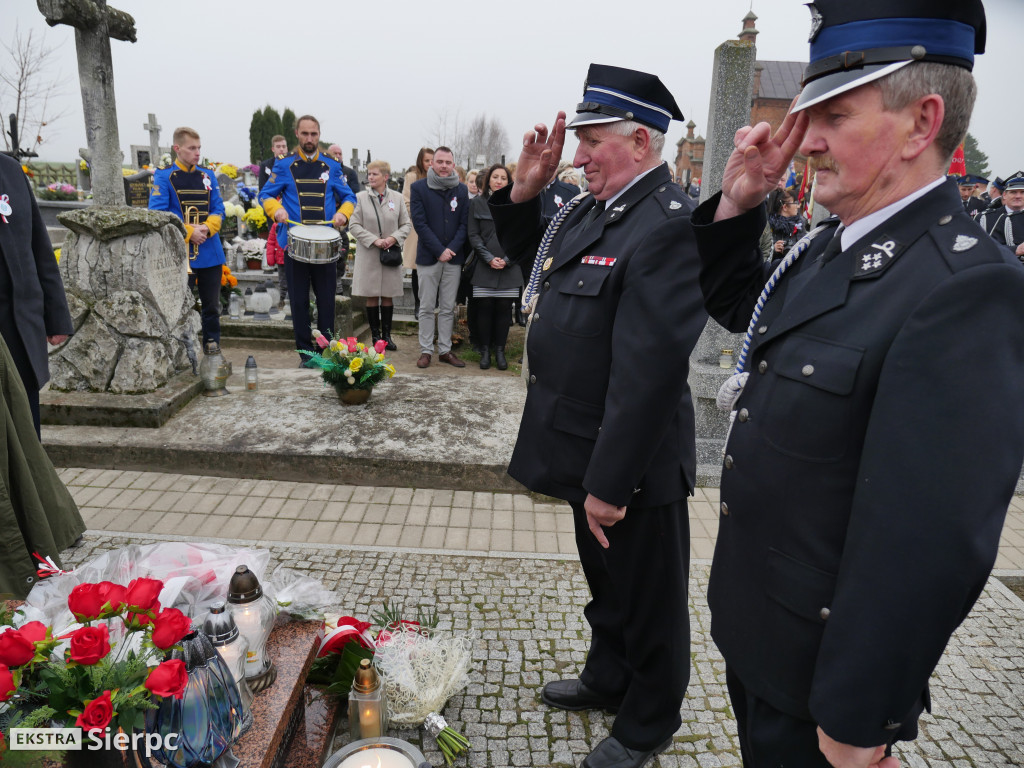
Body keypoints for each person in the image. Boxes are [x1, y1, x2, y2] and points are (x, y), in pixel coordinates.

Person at [690, 3, 1024, 767]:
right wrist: (740, 204)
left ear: (921, 122)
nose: (804, 141)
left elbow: (925, 540)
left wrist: (858, 717)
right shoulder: (830, 246)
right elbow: (749, 311)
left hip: (824, 685)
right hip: (760, 634)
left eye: (833, 116)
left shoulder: (964, 287)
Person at [490, 64, 706, 768]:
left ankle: (649, 721)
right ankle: (609, 677)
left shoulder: (668, 226)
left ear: (640, 141)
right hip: (589, 449)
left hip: (633, 462)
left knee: (650, 600)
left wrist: (610, 485)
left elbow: (648, 376)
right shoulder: (593, 209)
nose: (577, 157)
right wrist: (524, 190)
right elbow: (539, 262)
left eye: (591, 142)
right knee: (608, 586)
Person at [259, 115, 356, 364]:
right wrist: (275, 210)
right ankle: (305, 353)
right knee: (299, 301)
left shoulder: (332, 166)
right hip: (294, 244)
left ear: (319, 135)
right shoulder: (283, 165)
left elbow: (349, 197)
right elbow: (265, 195)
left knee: (326, 301)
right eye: (305, 134)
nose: (309, 139)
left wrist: (342, 214)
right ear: (297, 135)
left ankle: (325, 351)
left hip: (325, 246)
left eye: (314, 134)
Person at [0, 152, 74, 436]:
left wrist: (56, 318)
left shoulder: (10, 170)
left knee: (26, 432)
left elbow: (39, 248)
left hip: (18, 330)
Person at [149, 126, 227, 352]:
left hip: (209, 251)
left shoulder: (208, 175)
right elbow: (157, 214)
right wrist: (187, 231)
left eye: (199, 148)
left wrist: (205, 228)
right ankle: (180, 352)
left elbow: (218, 208)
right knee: (178, 307)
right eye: (192, 148)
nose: (197, 153)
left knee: (212, 307)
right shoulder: (164, 176)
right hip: (180, 255)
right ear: (177, 149)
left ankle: (212, 349)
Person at [409, 146, 469, 368]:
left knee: (447, 306)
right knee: (426, 306)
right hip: (429, 257)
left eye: (448, 162)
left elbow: (464, 224)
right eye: (440, 162)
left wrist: (451, 249)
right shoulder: (419, 188)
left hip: (453, 258)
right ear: (431, 164)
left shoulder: (461, 191)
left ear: (453, 165)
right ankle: (426, 350)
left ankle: (445, 350)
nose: (444, 166)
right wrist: (439, 250)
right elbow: (420, 223)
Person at [348, 160, 411, 350]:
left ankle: (387, 337)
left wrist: (393, 238)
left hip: (390, 254)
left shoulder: (397, 198)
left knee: (388, 295)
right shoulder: (360, 198)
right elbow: (354, 225)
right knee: (372, 295)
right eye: (369, 174)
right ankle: (376, 337)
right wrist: (374, 240)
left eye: (375, 174)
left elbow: (406, 225)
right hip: (369, 254)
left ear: (385, 177)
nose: (370, 177)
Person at [467, 163, 521, 370]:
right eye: (495, 177)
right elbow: (474, 235)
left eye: (503, 178)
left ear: (509, 182)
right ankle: (485, 350)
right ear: (488, 179)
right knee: (485, 306)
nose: (499, 181)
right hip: (485, 263)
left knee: (504, 308)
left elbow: (521, 235)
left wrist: (507, 260)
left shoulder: (517, 202)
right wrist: (489, 258)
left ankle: (500, 350)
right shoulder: (478, 203)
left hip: (509, 263)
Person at [403, 148, 433, 315]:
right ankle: (418, 303)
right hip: (418, 228)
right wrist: (420, 218)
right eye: (426, 160)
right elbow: (407, 202)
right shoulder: (412, 177)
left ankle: (431, 302)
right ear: (420, 161)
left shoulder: (438, 178)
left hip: (436, 228)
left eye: (432, 160)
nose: (430, 164)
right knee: (417, 267)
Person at [978, 171, 1024, 260]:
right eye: (1013, 192)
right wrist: (1015, 249)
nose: (1018, 196)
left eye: (1022, 192)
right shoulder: (985, 218)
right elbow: (979, 249)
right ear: (1004, 195)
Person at [768, 187, 807, 255]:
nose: (798, 206)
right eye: (795, 203)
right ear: (785, 207)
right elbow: (762, 250)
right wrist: (773, 249)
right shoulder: (769, 226)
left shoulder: (800, 224)